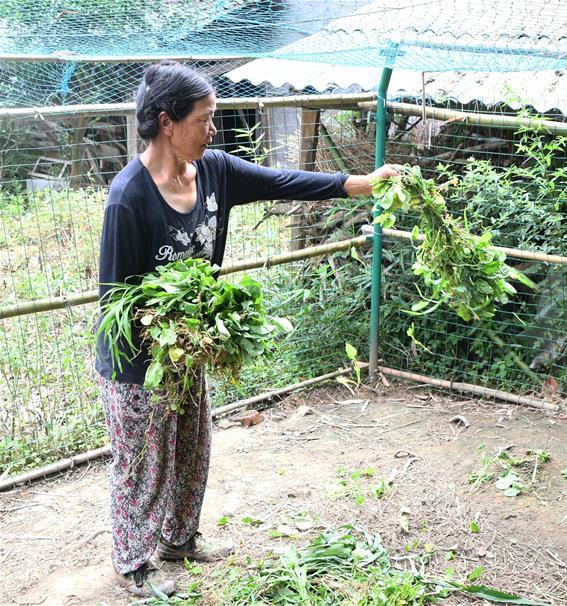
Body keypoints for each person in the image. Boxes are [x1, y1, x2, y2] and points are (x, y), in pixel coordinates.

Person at [95, 61, 399, 598]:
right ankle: (133, 562)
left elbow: (283, 182)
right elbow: (116, 300)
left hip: (188, 352)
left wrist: (360, 185)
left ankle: (179, 540)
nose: (214, 130)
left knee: (193, 445)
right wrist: (160, 350)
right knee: (143, 460)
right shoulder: (129, 198)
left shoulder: (213, 170)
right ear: (168, 122)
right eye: (205, 119)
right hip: (137, 360)